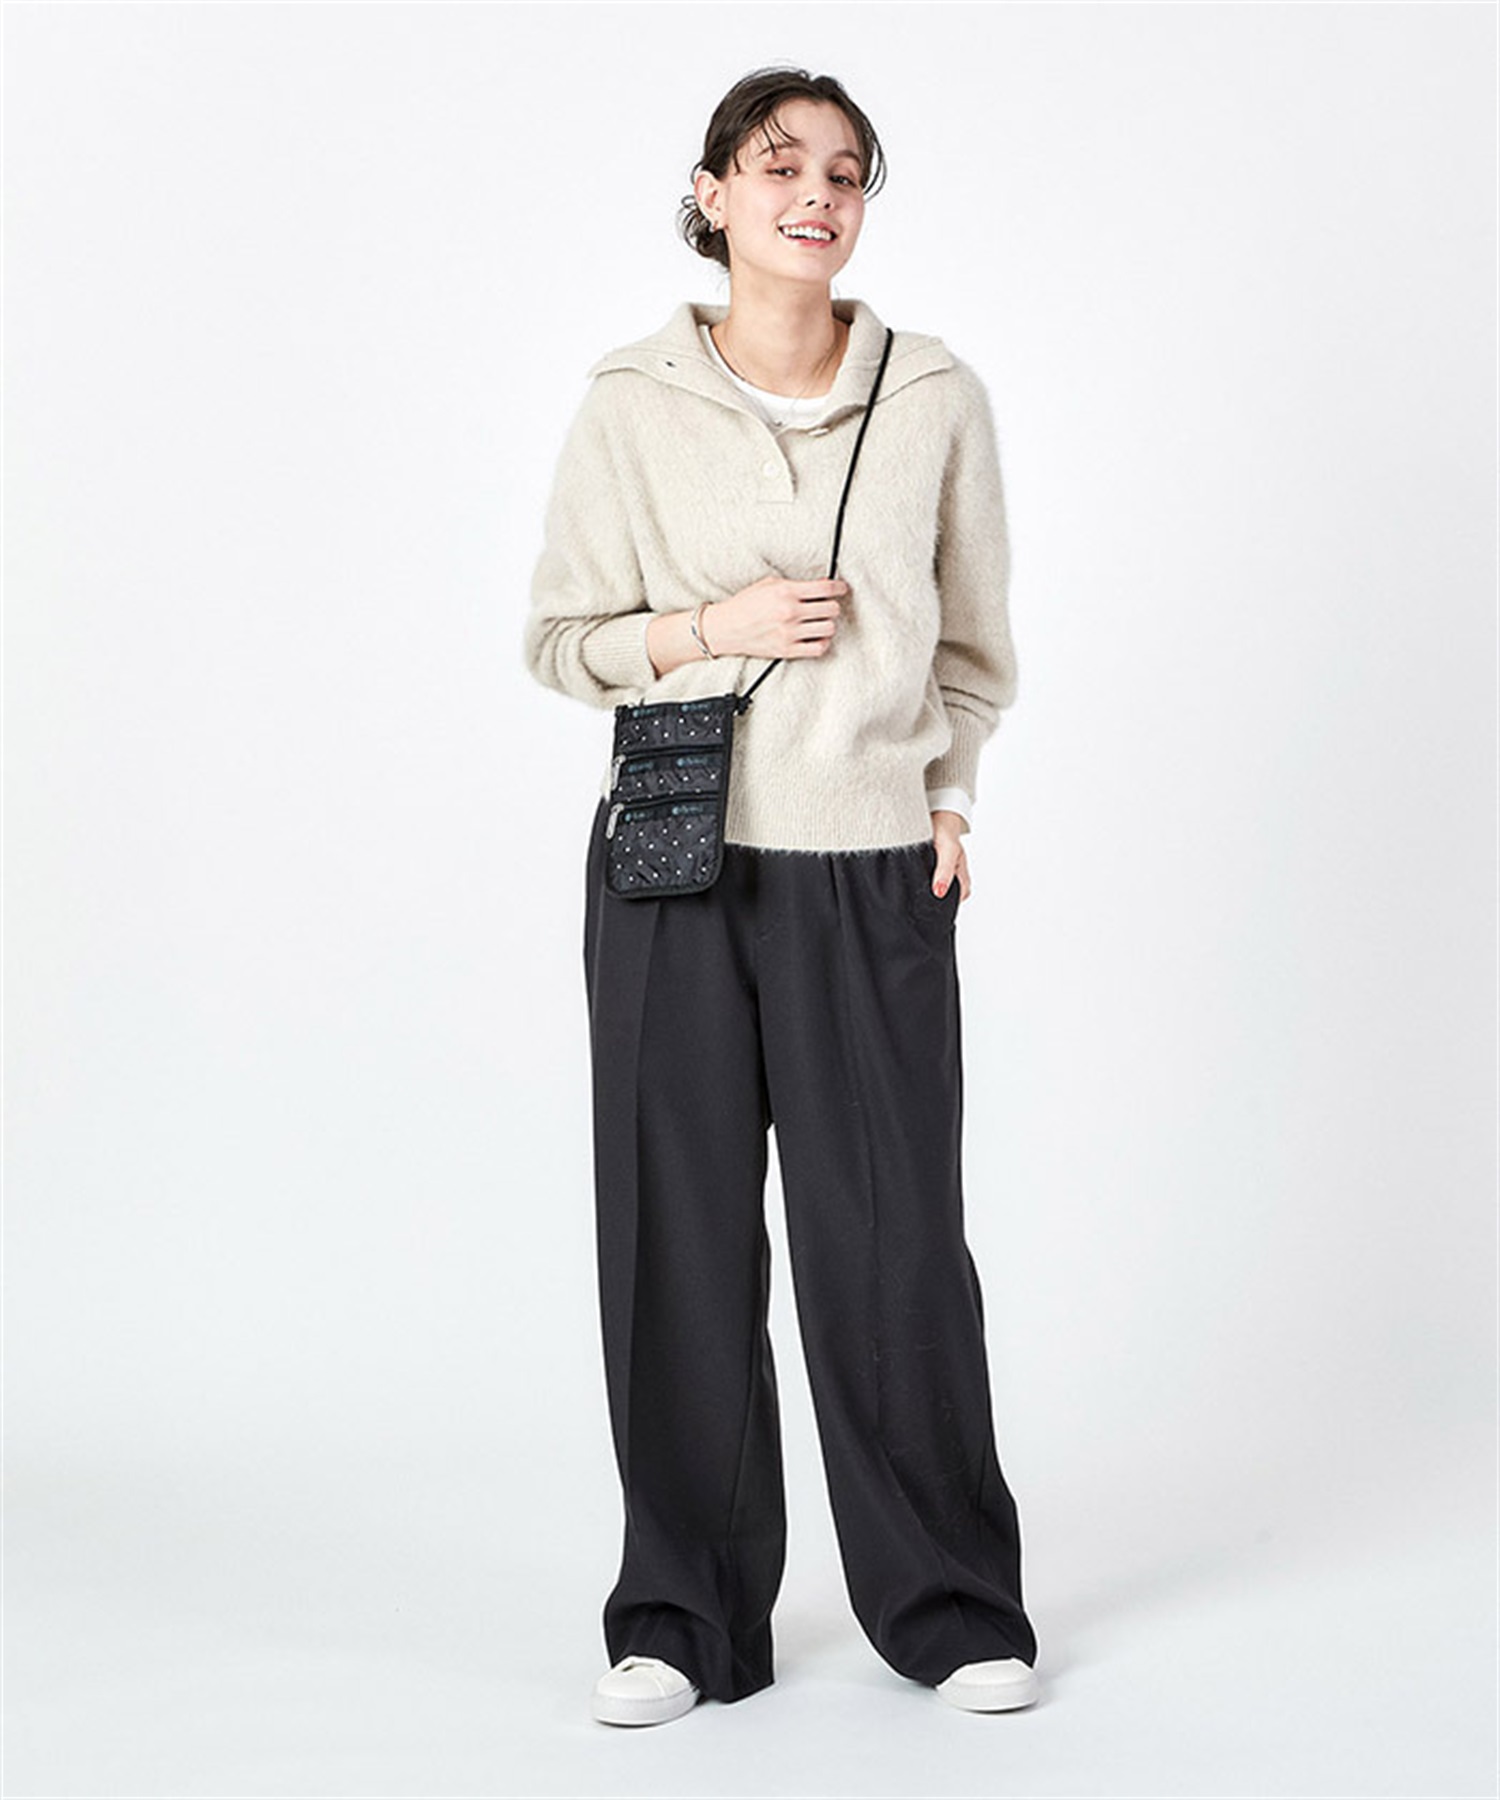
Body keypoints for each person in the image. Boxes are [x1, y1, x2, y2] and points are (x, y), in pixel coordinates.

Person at [523, 65, 1041, 1727]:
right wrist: (711, 629)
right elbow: (559, 642)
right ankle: (681, 1623)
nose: (815, 194)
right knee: (673, 1241)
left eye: (844, 172)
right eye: (778, 165)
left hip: (870, 862)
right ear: (714, 195)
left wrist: (949, 795)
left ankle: (950, 1606)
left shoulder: (933, 394)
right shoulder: (629, 401)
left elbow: (973, 647)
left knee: (891, 1245)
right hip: (670, 864)